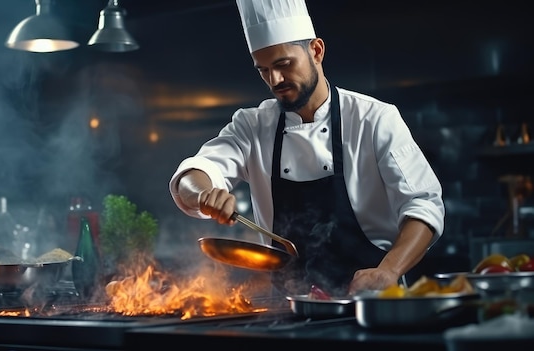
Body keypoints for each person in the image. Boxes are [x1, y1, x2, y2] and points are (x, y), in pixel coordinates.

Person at [168, 0, 445, 296]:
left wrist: (388, 270)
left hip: (371, 302)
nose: (274, 80)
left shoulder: (374, 119)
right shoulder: (252, 125)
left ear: (316, 51)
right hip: (287, 308)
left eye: (284, 64)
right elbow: (194, 172)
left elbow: (424, 204)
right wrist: (203, 194)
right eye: (263, 70)